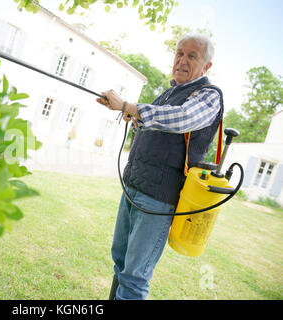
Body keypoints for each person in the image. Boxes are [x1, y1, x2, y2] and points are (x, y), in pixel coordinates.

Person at [96, 33, 224, 300]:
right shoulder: (169, 92)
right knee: (120, 262)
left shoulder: (209, 96)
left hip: (159, 199)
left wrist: (131, 106)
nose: (182, 60)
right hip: (133, 186)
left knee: (134, 276)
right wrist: (128, 113)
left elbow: (183, 118)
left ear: (206, 66)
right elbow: (152, 125)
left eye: (192, 56)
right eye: (179, 53)